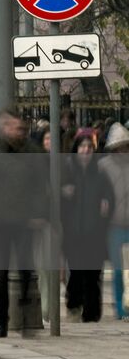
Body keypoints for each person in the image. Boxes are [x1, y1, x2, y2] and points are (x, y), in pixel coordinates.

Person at [0, 111, 47, 338]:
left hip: (25, 221)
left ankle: (25, 316)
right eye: (13, 127)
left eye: (20, 127)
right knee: (0, 273)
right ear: (5, 129)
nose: (17, 131)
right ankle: (1, 321)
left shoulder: (32, 152)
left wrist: (40, 214)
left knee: (25, 269)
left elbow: (41, 186)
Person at [62, 132, 114, 322]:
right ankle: (74, 305)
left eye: (89, 147)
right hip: (73, 233)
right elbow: (56, 200)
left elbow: (109, 196)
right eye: (82, 146)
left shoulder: (100, 175)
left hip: (95, 234)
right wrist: (63, 193)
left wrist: (107, 203)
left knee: (93, 274)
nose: (85, 150)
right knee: (76, 272)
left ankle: (91, 313)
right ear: (76, 149)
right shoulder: (68, 172)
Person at [100, 122, 129, 320]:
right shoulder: (103, 166)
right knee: (119, 269)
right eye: (119, 147)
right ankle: (121, 308)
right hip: (114, 225)